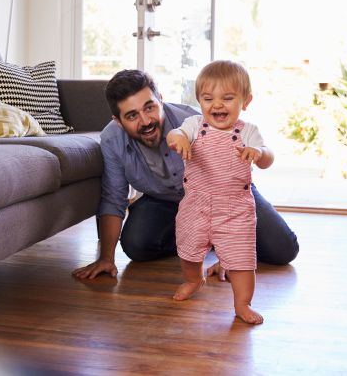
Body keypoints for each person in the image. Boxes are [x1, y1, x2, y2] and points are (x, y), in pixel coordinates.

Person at [72, 68, 299, 286]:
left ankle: (216, 237)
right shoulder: (111, 140)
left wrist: (229, 253)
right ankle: (199, 239)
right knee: (136, 246)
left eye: (149, 108)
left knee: (282, 249)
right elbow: (114, 198)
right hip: (163, 200)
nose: (145, 121)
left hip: (226, 194)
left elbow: (225, 178)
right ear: (118, 121)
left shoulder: (195, 120)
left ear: (160, 99)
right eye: (132, 115)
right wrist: (106, 258)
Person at [166, 60, 268, 324]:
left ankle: (242, 304)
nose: (217, 104)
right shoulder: (194, 125)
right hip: (195, 206)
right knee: (188, 251)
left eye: (228, 98)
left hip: (235, 210)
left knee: (243, 260)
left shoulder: (248, 132)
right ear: (199, 100)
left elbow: (268, 157)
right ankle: (194, 279)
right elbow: (175, 133)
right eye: (208, 98)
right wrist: (177, 138)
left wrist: (259, 154)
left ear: (246, 101)